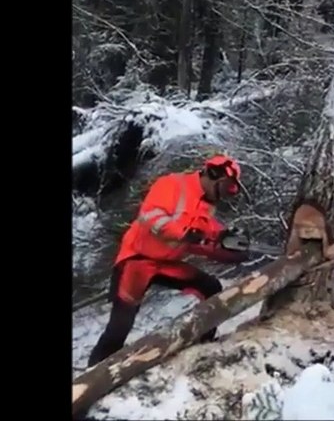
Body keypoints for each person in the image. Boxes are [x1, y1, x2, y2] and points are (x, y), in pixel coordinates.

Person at [87, 154, 252, 368]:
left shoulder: (206, 205)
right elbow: (150, 216)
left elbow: (201, 237)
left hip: (167, 264)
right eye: (226, 188)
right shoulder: (173, 184)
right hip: (137, 259)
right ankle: (95, 373)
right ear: (214, 175)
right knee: (121, 323)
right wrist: (183, 232)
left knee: (210, 287)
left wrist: (224, 242)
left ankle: (202, 346)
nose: (225, 195)